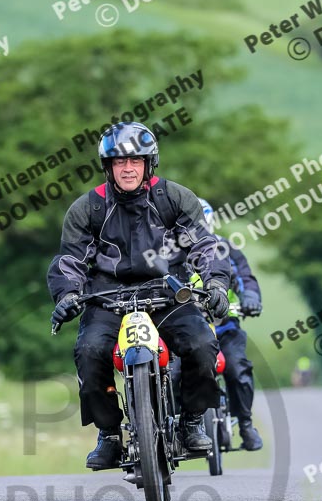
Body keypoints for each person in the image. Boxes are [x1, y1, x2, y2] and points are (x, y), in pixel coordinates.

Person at [47, 122, 231, 470]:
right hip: (107, 298)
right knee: (88, 352)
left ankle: (191, 420)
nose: (127, 168)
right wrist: (67, 295)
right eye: (118, 162)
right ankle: (109, 434)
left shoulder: (175, 198)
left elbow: (207, 247)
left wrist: (217, 284)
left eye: (135, 160)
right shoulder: (88, 209)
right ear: (108, 167)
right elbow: (70, 260)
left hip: (169, 294)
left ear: (149, 163)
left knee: (203, 345)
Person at [197, 199, 263, 451]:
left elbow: (246, 278)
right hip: (187, 328)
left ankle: (246, 424)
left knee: (237, 369)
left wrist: (251, 298)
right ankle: (181, 425)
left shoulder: (225, 249)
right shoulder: (171, 253)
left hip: (225, 327)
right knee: (176, 372)